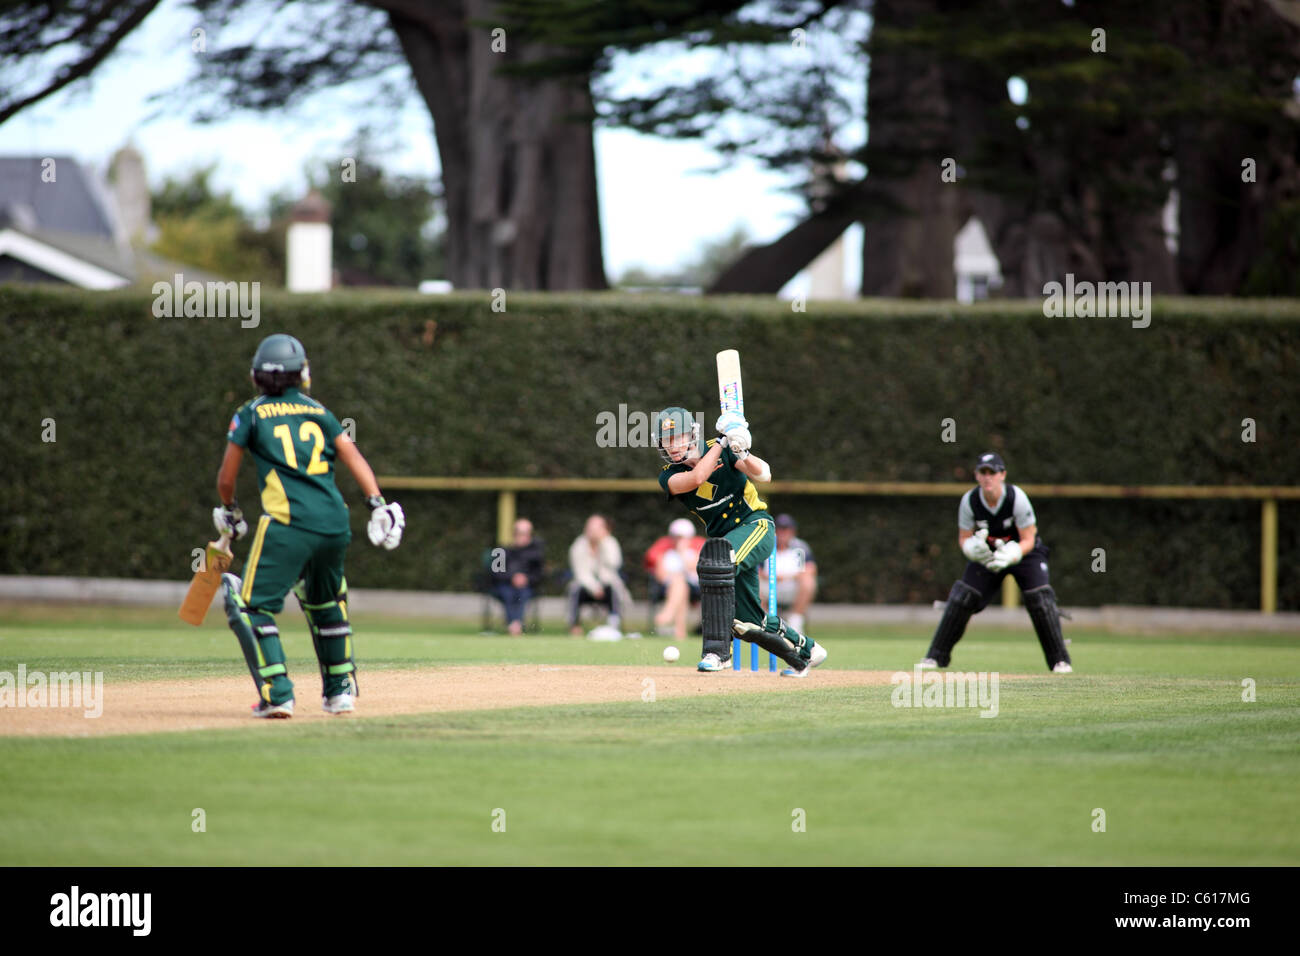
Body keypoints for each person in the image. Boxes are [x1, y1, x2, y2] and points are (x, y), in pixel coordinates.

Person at [213, 333, 406, 718]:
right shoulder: (320, 412)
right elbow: (354, 458)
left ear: (257, 376)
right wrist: (377, 505)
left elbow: (226, 475)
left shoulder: (249, 413)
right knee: (326, 604)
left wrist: (230, 510)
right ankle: (339, 693)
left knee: (250, 606)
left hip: (287, 523)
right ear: (300, 374)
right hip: (335, 523)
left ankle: (278, 692)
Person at [654, 406, 828, 676]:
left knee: (715, 561)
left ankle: (718, 652)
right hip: (726, 544)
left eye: (677, 437)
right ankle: (807, 652)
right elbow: (697, 477)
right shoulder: (668, 476)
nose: (673, 446)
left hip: (756, 526)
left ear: (692, 434)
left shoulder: (723, 450)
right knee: (747, 621)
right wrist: (724, 440)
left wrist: (741, 450)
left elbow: (764, 474)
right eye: (667, 441)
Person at [919, 451, 1072, 673]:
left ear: (1002, 475)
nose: (987, 477)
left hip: (1023, 553)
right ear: (976, 476)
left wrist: (1015, 553)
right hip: (988, 556)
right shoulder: (970, 501)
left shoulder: (1016, 498)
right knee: (962, 597)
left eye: (992, 472)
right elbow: (964, 537)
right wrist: (971, 549)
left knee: (1040, 599)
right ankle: (935, 657)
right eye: (983, 472)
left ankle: (1060, 660)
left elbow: (1029, 538)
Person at [566, 514, 629, 635]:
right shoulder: (578, 546)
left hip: (607, 585)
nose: (593, 532)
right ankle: (574, 626)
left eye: (596, 529)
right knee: (575, 590)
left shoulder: (610, 543)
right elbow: (580, 573)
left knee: (614, 589)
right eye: (590, 529)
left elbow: (614, 564)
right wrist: (594, 587)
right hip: (586, 587)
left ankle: (614, 625)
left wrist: (603, 544)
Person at [646, 517, 705, 639]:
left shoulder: (695, 553)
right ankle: (680, 632)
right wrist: (673, 577)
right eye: (677, 537)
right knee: (680, 585)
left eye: (682, 537)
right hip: (669, 587)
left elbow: (695, 569)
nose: (679, 541)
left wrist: (682, 553)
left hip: (696, 587)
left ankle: (668, 612)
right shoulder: (664, 555)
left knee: (681, 584)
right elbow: (660, 576)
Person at [760, 513, 818, 635]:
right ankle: (767, 623)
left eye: (786, 529)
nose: (782, 532)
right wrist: (771, 577)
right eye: (779, 528)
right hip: (768, 586)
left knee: (808, 582)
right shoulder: (765, 546)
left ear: (792, 531)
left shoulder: (800, 547)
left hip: (793, 587)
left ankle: (795, 621)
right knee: (755, 584)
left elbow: (810, 569)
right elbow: (756, 571)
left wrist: (786, 577)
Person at [489, 518, 546, 635]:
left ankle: (515, 624)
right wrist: (512, 577)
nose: (523, 537)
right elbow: (495, 573)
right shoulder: (502, 551)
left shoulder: (536, 554)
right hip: (505, 586)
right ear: (514, 534)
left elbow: (539, 574)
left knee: (523, 594)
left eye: (526, 534)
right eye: (520, 533)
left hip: (527, 587)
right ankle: (514, 624)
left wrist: (526, 579)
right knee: (507, 593)